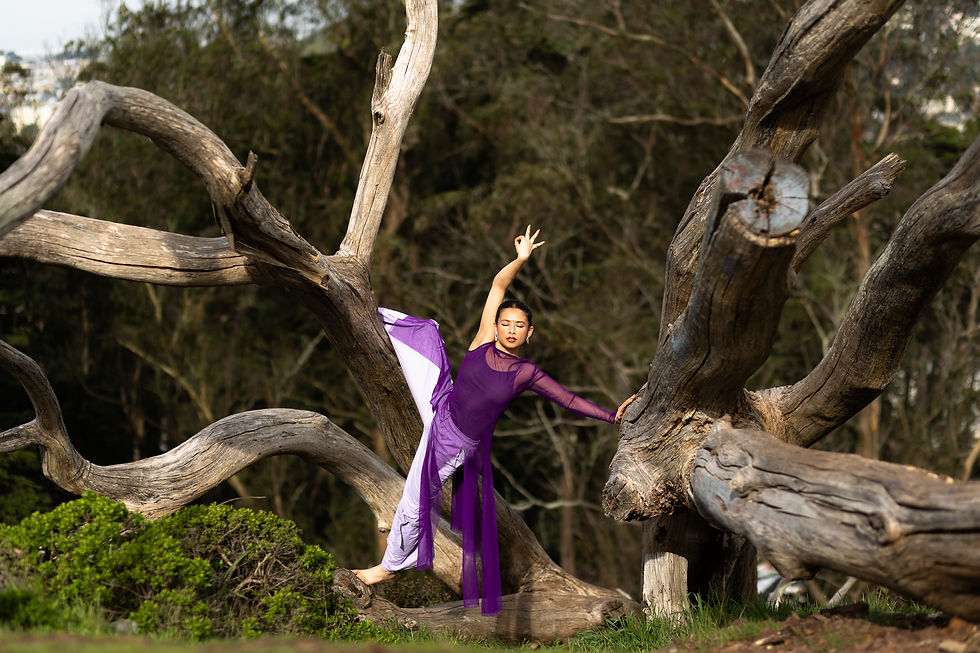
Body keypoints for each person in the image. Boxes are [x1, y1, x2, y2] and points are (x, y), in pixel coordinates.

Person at [353, 226, 635, 616]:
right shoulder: (484, 338)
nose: (511, 329)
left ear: (529, 333)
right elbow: (497, 286)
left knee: (416, 497)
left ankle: (388, 567)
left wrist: (610, 415)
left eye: (520, 326)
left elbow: (567, 399)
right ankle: (362, 309)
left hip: (455, 442)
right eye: (507, 323)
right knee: (424, 334)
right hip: (441, 402)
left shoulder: (525, 373)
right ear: (497, 325)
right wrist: (520, 260)